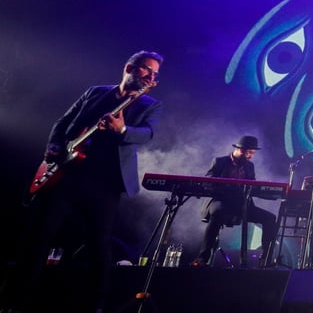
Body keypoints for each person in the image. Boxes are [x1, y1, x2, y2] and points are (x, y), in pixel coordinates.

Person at [2, 50, 163, 313]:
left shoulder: (149, 105)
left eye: (155, 74)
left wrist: (122, 130)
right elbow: (63, 122)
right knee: (37, 238)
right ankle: (11, 302)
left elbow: (148, 134)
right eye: (147, 69)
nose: (151, 76)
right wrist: (53, 146)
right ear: (129, 67)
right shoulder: (95, 92)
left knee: (98, 245)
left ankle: (94, 306)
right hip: (67, 174)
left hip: (105, 183)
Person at [193, 135, 279, 268]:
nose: (251, 156)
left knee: (270, 218)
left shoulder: (249, 166)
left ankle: (265, 258)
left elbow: (253, 186)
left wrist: (266, 188)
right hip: (220, 200)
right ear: (240, 150)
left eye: (253, 153)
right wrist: (227, 187)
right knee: (218, 212)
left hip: (241, 204)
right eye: (249, 152)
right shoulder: (219, 162)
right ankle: (202, 258)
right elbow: (208, 182)